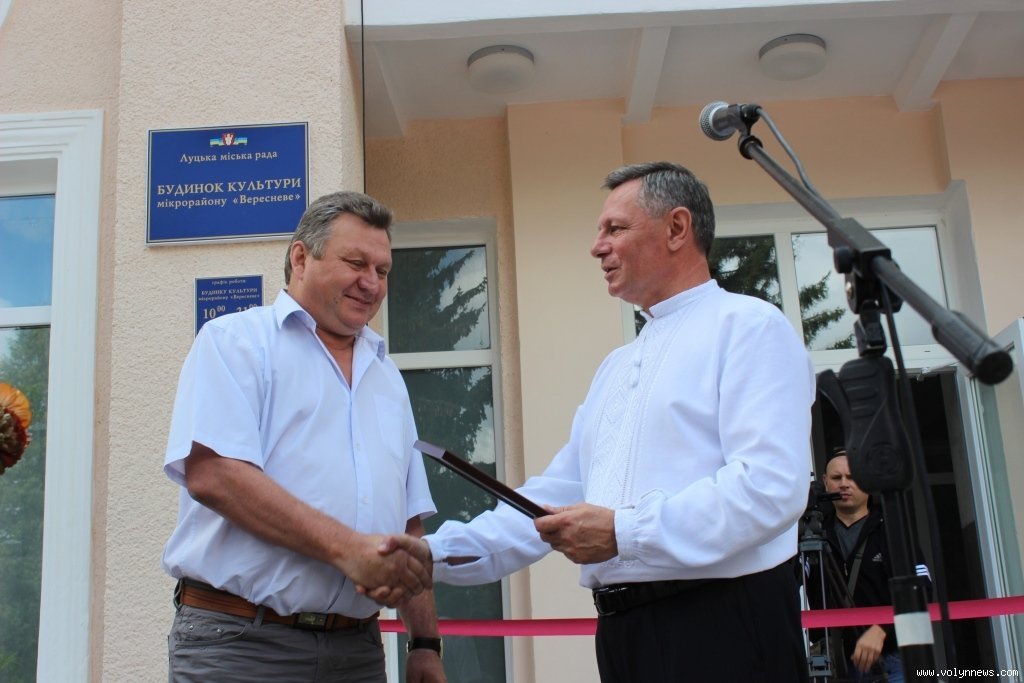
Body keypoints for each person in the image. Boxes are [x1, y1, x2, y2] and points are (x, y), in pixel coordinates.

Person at [378, 161, 817, 681]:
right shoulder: (616, 367)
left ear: (677, 228)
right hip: (623, 634)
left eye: (615, 228)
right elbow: (548, 504)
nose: (597, 246)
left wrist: (623, 531)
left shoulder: (750, 327)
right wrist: (432, 555)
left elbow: (770, 488)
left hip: (723, 623)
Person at [161, 191, 446, 683]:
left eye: (382, 270)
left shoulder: (387, 376)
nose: (372, 283)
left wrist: (424, 642)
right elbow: (214, 475)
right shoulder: (235, 342)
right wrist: (347, 549)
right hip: (241, 645)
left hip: (357, 652)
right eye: (356, 263)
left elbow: (407, 524)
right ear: (300, 258)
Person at [806, 449, 919, 682]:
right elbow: (790, 581)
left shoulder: (891, 530)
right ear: (825, 482)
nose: (844, 484)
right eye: (836, 478)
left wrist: (882, 629)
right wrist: (799, 517)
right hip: (833, 664)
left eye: (852, 477)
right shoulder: (814, 534)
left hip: (889, 659)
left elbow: (920, 590)